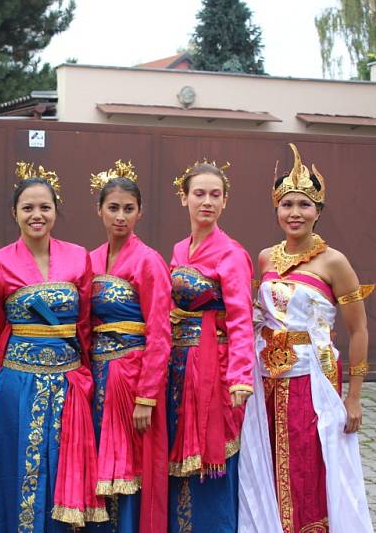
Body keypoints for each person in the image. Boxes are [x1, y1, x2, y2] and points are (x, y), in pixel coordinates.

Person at [238, 144, 374, 533]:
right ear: (276, 210)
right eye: (287, 205)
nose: (295, 213)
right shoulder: (264, 258)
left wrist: (354, 396)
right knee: (267, 457)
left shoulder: (334, 262)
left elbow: (358, 329)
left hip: (312, 381)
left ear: (319, 211)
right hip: (265, 380)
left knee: (309, 461)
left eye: (304, 205)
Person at [0, 162, 106, 532]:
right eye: (28, 208)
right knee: (18, 467)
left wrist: (85, 376)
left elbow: (84, 325)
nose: (37, 215)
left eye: (44, 207)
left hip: (68, 383)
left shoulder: (78, 257)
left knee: (64, 466)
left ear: (55, 211)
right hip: (17, 384)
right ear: (14, 213)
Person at [166, 161, 254, 532]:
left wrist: (240, 377)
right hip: (177, 368)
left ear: (225, 201)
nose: (206, 202)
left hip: (213, 370)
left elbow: (240, 320)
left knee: (210, 466)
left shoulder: (231, 253)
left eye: (214, 195)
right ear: (184, 198)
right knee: (176, 460)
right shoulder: (179, 249)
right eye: (198, 194)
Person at [87, 161, 172, 533]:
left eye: (128, 209)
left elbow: (160, 332)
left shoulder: (149, 261)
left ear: (140, 212)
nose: (120, 217)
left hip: (133, 377)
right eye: (113, 208)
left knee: (135, 466)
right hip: (97, 376)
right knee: (99, 463)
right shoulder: (89, 260)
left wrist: (147, 396)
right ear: (100, 210)